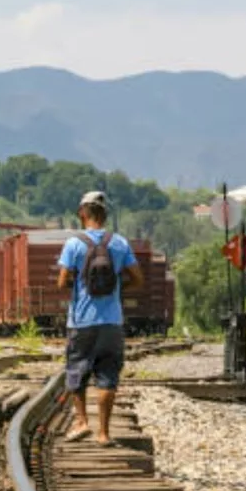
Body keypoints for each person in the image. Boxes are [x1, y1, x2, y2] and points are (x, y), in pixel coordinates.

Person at [57, 191, 144, 446]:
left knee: (77, 371)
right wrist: (117, 288)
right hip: (111, 321)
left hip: (81, 320)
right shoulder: (119, 243)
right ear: (104, 215)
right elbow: (138, 279)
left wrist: (79, 284)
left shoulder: (74, 244)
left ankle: (82, 421)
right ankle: (104, 433)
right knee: (107, 375)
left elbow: (62, 282)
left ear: (83, 213)